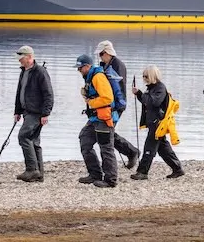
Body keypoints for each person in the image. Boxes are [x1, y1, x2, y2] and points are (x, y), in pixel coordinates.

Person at [131, 65, 185, 180]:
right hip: (153, 122)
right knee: (162, 148)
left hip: (158, 123)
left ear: (152, 76)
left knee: (149, 147)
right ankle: (177, 168)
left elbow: (154, 102)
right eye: (143, 76)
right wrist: (139, 94)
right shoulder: (151, 88)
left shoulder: (160, 88)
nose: (144, 78)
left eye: (146, 76)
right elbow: (147, 102)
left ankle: (142, 172)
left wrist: (143, 94)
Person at [13, 45, 54, 182]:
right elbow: (20, 92)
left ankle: (31, 169)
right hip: (27, 112)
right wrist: (17, 111)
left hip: (36, 112)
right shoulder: (23, 71)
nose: (19, 60)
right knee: (34, 141)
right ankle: (39, 174)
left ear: (29, 57)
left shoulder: (40, 72)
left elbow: (48, 94)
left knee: (23, 136)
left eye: (21, 58)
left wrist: (46, 113)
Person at [77, 54, 118, 188]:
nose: (79, 70)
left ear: (88, 66)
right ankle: (95, 174)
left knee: (106, 148)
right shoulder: (90, 78)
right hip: (95, 118)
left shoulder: (98, 77)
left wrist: (91, 102)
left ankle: (110, 180)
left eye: (80, 67)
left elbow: (108, 98)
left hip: (104, 118)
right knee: (84, 139)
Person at [96, 40, 139, 170]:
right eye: (99, 54)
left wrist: (116, 106)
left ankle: (131, 152)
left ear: (107, 52)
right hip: (107, 105)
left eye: (101, 54)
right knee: (106, 132)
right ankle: (131, 151)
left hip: (115, 105)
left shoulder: (117, 65)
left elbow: (118, 88)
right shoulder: (106, 64)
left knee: (107, 132)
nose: (100, 56)